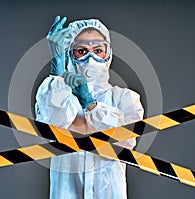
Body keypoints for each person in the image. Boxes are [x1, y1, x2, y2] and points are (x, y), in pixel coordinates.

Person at [35, 15, 144, 199]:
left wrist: (90, 105)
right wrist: (58, 72)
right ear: (70, 54)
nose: (91, 57)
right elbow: (51, 128)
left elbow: (125, 142)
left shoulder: (125, 98)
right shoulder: (54, 94)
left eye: (98, 50)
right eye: (82, 51)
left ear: (108, 54)